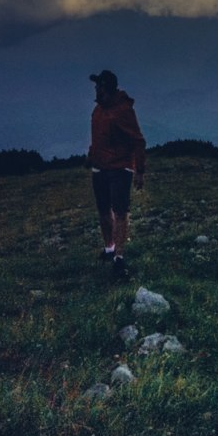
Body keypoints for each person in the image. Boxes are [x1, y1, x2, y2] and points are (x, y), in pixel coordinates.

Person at [87, 69, 146, 280]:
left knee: (120, 211)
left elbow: (138, 140)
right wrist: (91, 155)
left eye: (98, 86)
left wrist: (139, 170)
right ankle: (109, 248)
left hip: (120, 168)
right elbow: (97, 138)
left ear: (106, 88)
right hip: (100, 167)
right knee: (104, 210)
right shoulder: (98, 111)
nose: (95, 89)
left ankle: (119, 257)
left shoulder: (122, 110)